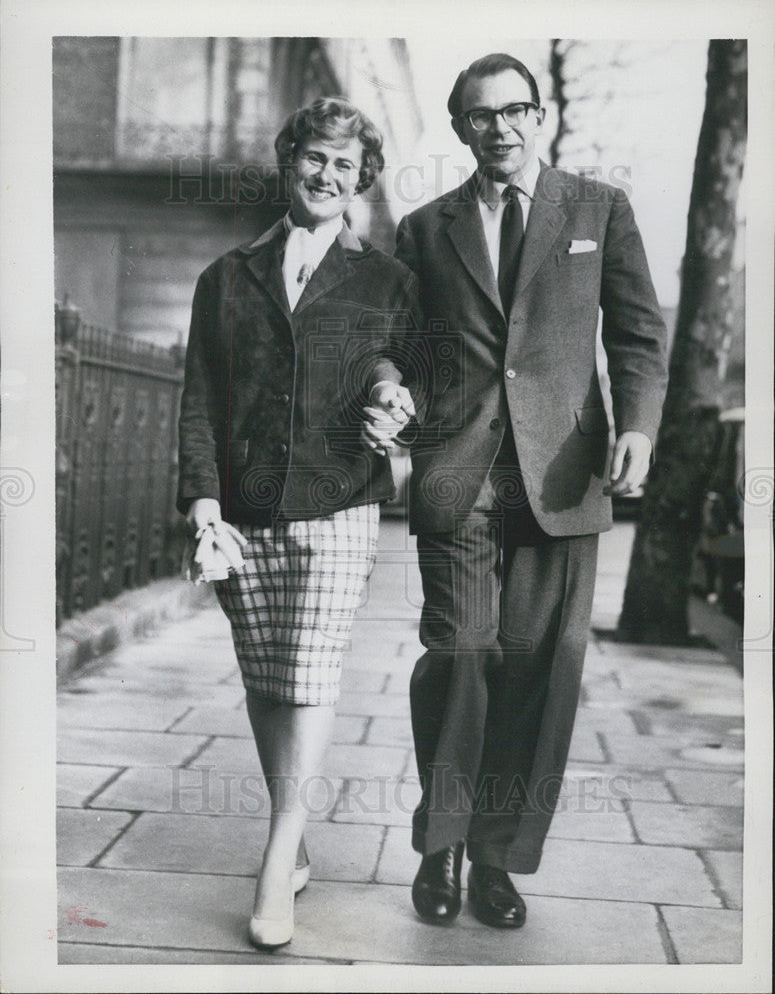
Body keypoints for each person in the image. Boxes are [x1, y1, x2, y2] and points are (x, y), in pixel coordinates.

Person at [392, 53, 669, 929]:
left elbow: (636, 332)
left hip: (561, 474)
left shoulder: (596, 208)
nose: (500, 128)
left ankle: (496, 858)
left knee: (539, 669)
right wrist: (388, 386)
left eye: (515, 111)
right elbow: (399, 343)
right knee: (464, 654)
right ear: (459, 127)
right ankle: (439, 845)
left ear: (538, 115)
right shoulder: (424, 228)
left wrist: (637, 425)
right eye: (481, 116)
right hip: (460, 471)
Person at [177, 96, 417, 949]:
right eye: (315, 158)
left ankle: (276, 860)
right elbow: (200, 397)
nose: (327, 176)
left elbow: (399, 368)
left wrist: (393, 399)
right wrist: (203, 499)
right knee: (267, 677)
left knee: (309, 675)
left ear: (362, 181)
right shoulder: (226, 276)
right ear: (288, 161)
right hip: (243, 510)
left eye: (345, 167)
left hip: (336, 502)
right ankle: (298, 827)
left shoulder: (387, 279)